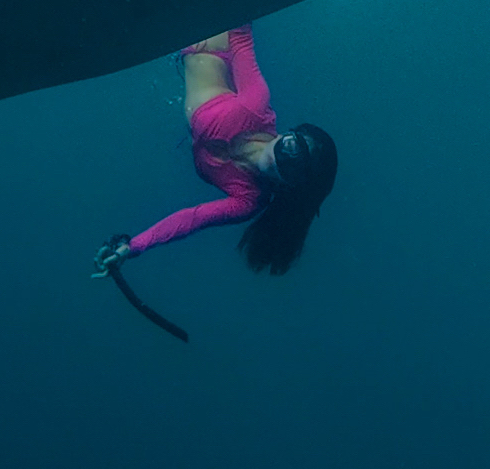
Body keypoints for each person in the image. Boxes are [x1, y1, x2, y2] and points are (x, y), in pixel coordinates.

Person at [94, 25, 337, 282]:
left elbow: (193, 219)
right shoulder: (254, 106)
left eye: (297, 169)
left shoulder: (248, 200)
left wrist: (131, 248)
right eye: (292, 147)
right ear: (286, 135)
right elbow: (240, 34)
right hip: (208, 37)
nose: (283, 160)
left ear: (293, 186)